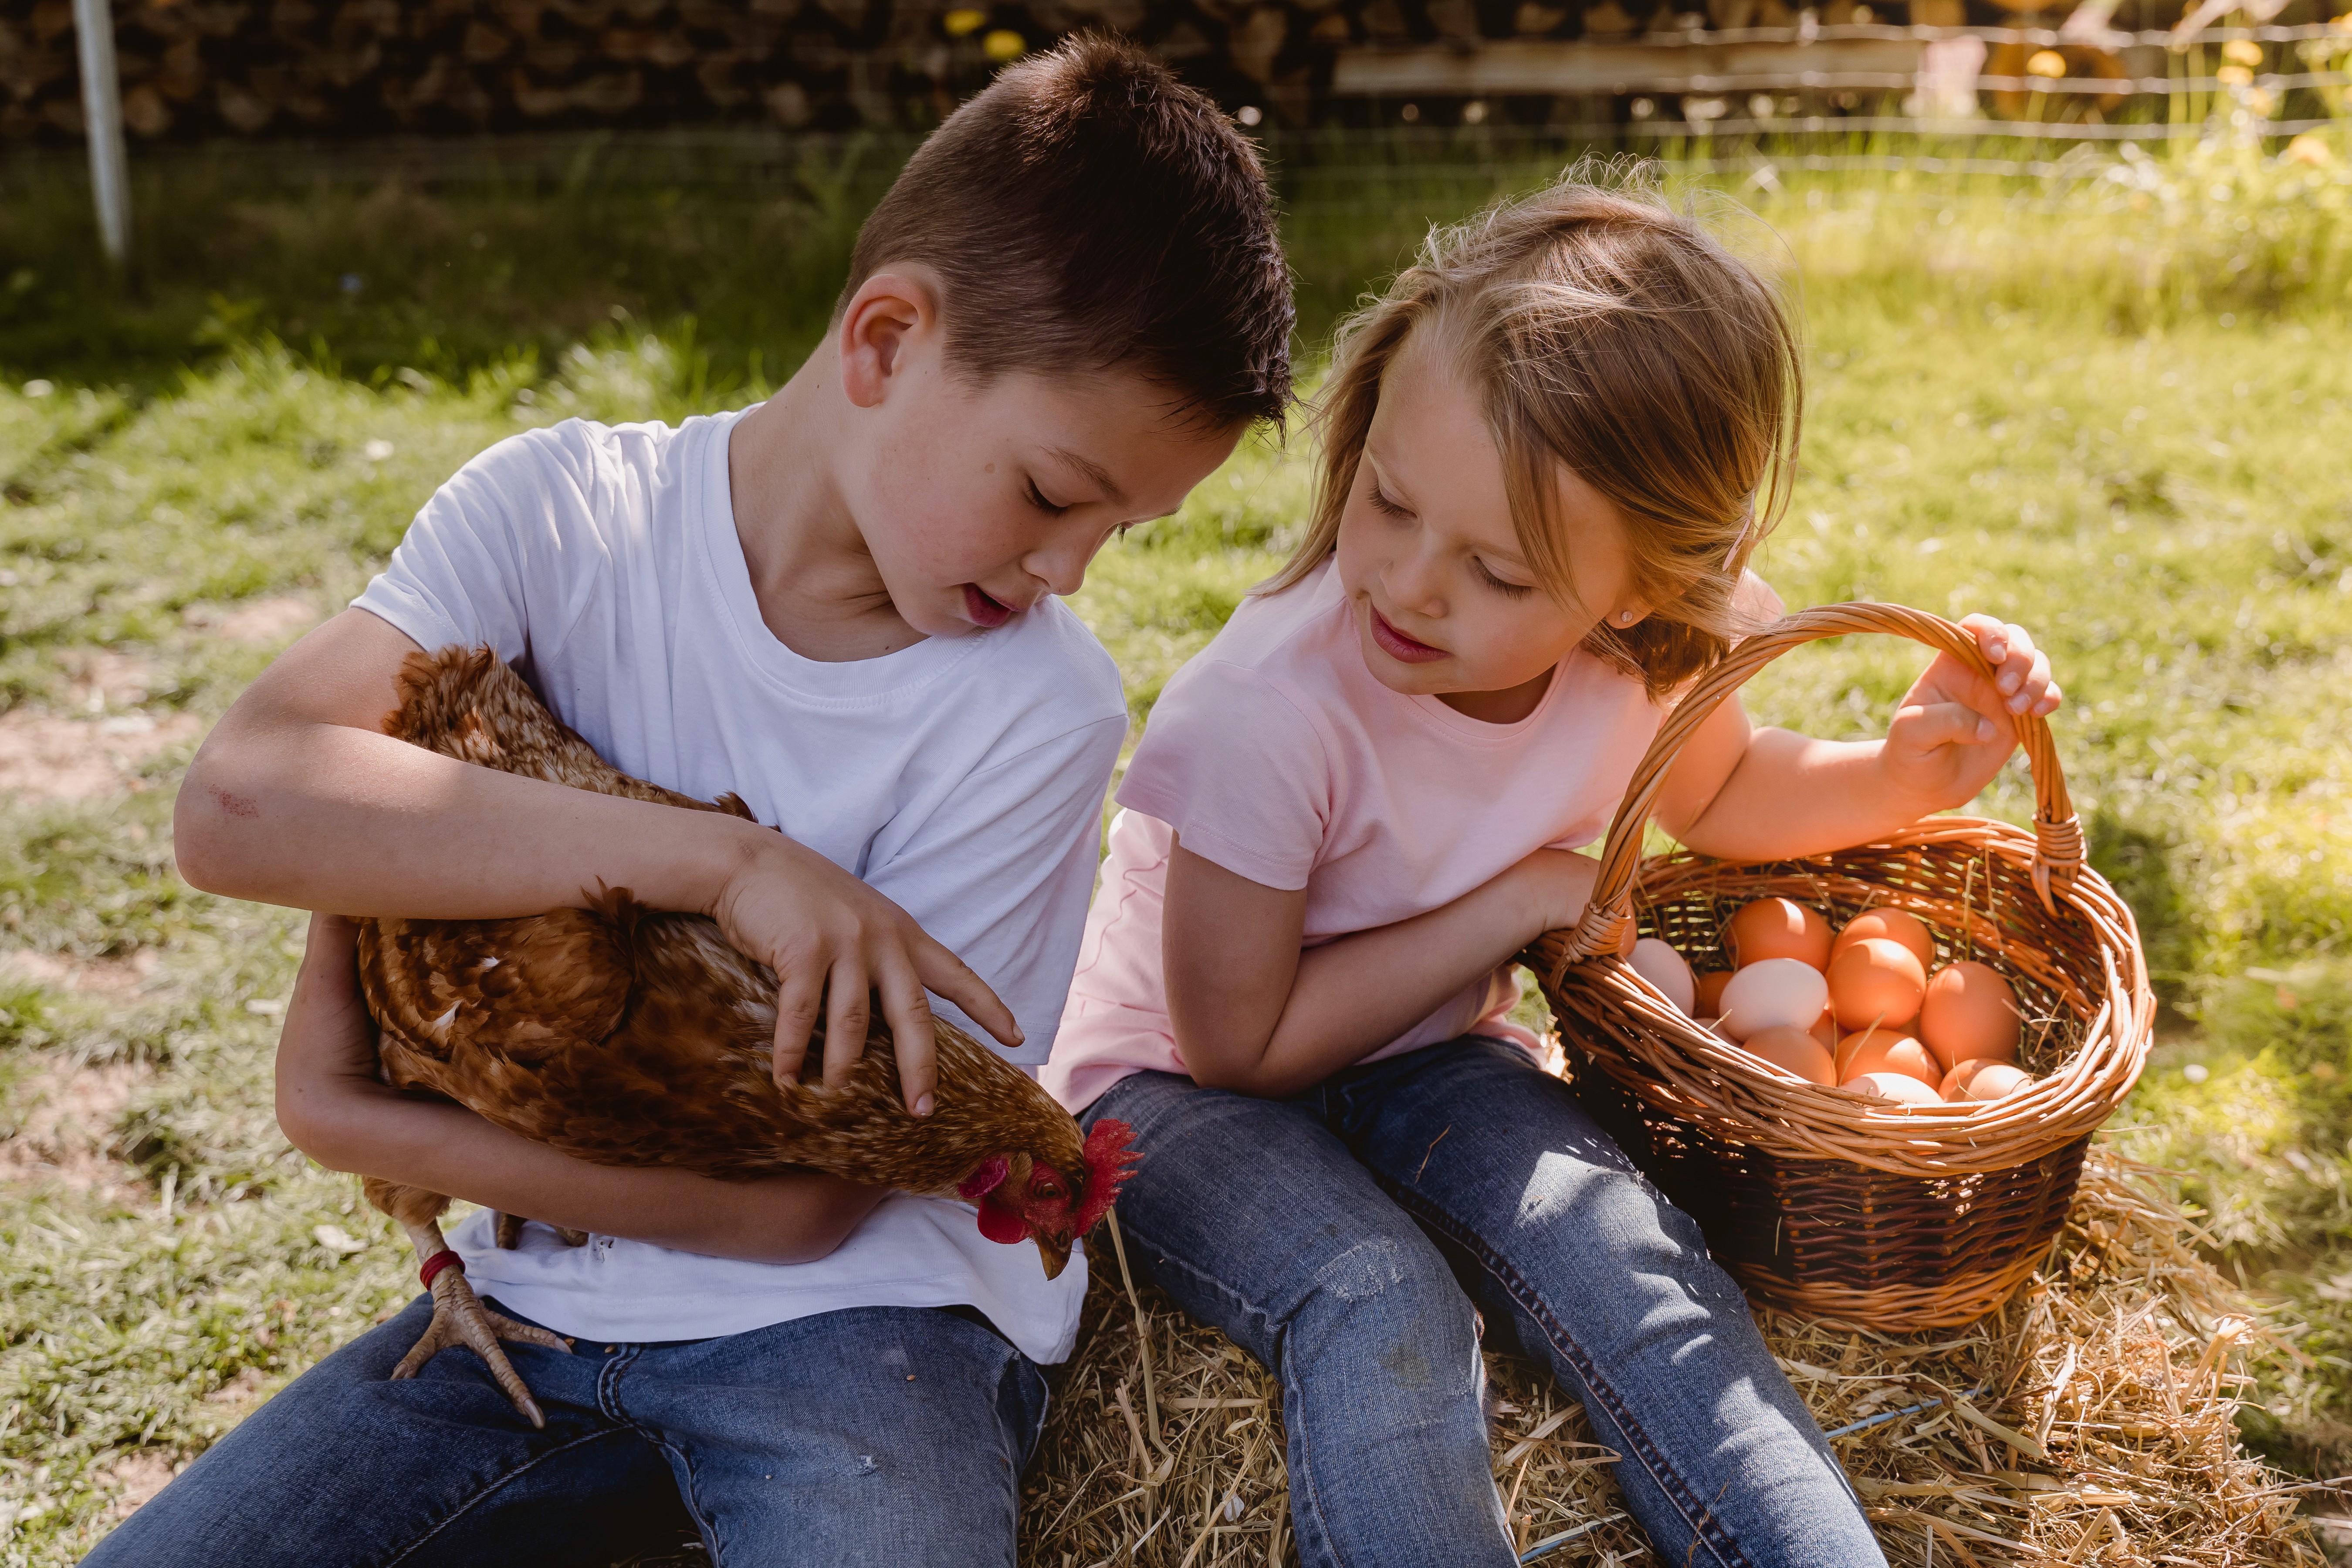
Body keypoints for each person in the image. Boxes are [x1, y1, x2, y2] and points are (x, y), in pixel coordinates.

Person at [94, 37, 1293, 1568]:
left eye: (1124, 529)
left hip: (859, 1338)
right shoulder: (558, 517)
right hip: (525, 1317)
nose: (1070, 571)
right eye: (1057, 496)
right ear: (885, 341)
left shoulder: (1035, 707)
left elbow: (796, 1216)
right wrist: (725, 864)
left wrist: (350, 1118)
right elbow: (241, 807)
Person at [1042, 169, 2062, 1568]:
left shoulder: (1640, 655)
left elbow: (1726, 793)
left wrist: (1903, 776)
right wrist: (1519, 900)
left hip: (1422, 1055)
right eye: (1388, 505)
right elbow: (1241, 1045)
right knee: (1378, 1297)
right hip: (1165, 1084)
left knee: (1635, 1268)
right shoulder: (1267, 714)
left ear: (1635, 590)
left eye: (1499, 574)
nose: (1406, 585)